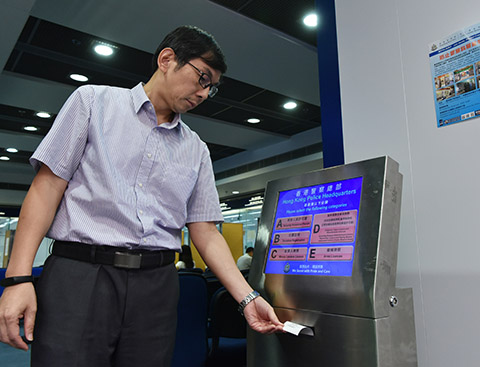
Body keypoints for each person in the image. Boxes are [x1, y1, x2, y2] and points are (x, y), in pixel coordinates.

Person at [0, 25, 283, 367]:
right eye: (202, 78)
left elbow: (205, 231)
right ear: (167, 59)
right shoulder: (93, 103)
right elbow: (46, 188)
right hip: (80, 274)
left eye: (212, 88)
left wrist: (247, 298)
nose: (204, 94)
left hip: (158, 285)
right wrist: (17, 279)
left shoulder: (196, 149)